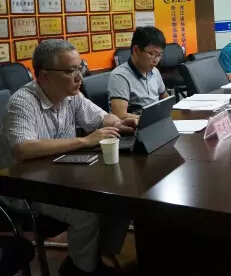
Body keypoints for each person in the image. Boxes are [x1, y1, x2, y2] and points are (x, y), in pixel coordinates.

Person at [0, 40, 136, 275]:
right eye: (70, 70)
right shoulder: (22, 102)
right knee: (86, 212)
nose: (79, 76)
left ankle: (101, 257)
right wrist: (85, 141)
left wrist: (120, 123)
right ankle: (79, 270)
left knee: (121, 199)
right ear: (44, 76)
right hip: (26, 189)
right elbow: (23, 148)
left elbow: (101, 118)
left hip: (62, 177)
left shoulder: (71, 96)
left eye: (80, 67)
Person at [107, 26, 168, 120]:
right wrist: (151, 119)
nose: (156, 60)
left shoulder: (154, 71)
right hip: (134, 126)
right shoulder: (120, 76)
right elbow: (120, 115)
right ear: (136, 50)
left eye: (159, 55)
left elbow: (165, 97)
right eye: (151, 54)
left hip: (155, 121)